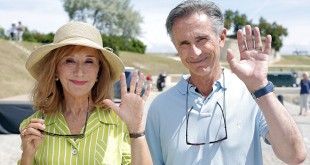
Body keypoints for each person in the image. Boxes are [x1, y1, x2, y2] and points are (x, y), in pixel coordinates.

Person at [145, 1, 307, 164]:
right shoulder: (160, 107)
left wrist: (260, 86)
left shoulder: (251, 94)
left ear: (221, 38)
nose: (195, 52)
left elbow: (294, 155)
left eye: (201, 39)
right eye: (184, 43)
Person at [18, 21, 152, 165]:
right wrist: (28, 155)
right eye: (69, 61)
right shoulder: (33, 127)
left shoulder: (119, 122)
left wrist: (136, 129)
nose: (79, 71)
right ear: (55, 70)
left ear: (99, 71)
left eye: (89, 61)